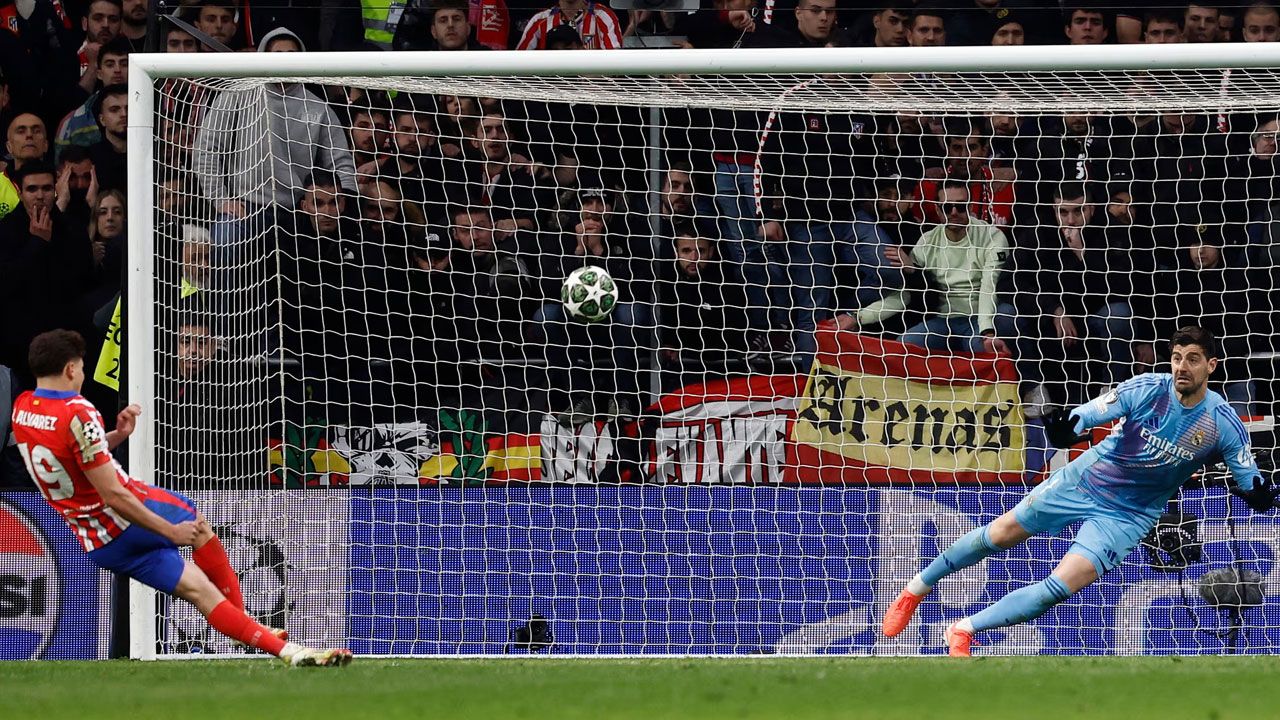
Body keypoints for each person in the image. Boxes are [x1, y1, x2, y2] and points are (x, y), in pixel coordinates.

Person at [881, 325, 1279, 656]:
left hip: (1129, 515)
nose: (1182, 367)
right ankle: (915, 590)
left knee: (1056, 590)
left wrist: (1259, 493)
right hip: (1085, 480)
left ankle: (963, 630)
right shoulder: (1147, 389)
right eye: (1177, 358)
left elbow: (1250, 480)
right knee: (1001, 533)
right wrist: (1069, 425)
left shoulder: (1222, 422)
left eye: (1192, 359)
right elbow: (1091, 412)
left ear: (1211, 365)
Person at [12, 329, 352, 666]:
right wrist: (169, 531)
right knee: (195, 523)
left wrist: (117, 435)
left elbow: (71, 460)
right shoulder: (78, 411)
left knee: (200, 591)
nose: (83, 376)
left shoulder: (23, 408)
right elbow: (114, 494)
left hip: (99, 541)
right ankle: (247, 619)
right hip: (126, 517)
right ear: (71, 369)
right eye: (83, 368)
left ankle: (289, 652)